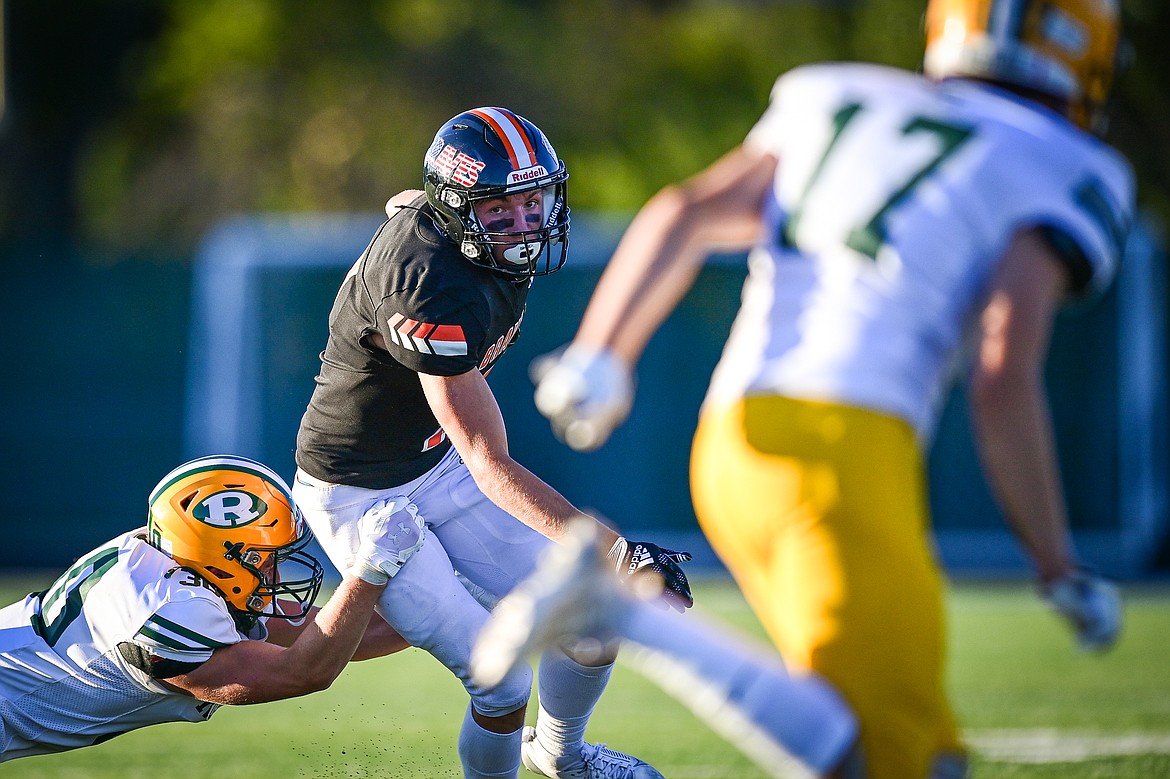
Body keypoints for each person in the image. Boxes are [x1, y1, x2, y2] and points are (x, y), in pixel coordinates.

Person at [527, 1, 1131, 777]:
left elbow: (684, 211)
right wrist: (1056, 561)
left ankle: (624, 614)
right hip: (845, 453)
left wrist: (601, 353)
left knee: (848, 741)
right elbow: (1002, 372)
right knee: (900, 762)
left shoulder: (834, 94)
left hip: (731, 443)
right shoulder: (1062, 162)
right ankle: (619, 612)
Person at [291, 106, 692, 779]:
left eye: (532, 203)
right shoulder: (428, 289)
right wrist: (617, 552)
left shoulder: (457, 230)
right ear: (458, 213)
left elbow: (412, 203)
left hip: (432, 459)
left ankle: (564, 755)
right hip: (361, 495)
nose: (525, 225)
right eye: (501, 211)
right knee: (501, 682)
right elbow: (487, 461)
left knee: (590, 622)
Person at [0, 454, 424, 762]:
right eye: (267, 557)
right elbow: (303, 671)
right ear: (221, 553)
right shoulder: (169, 611)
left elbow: (342, 634)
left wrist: (459, 607)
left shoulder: (171, 566)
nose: (275, 573)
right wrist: (371, 570)